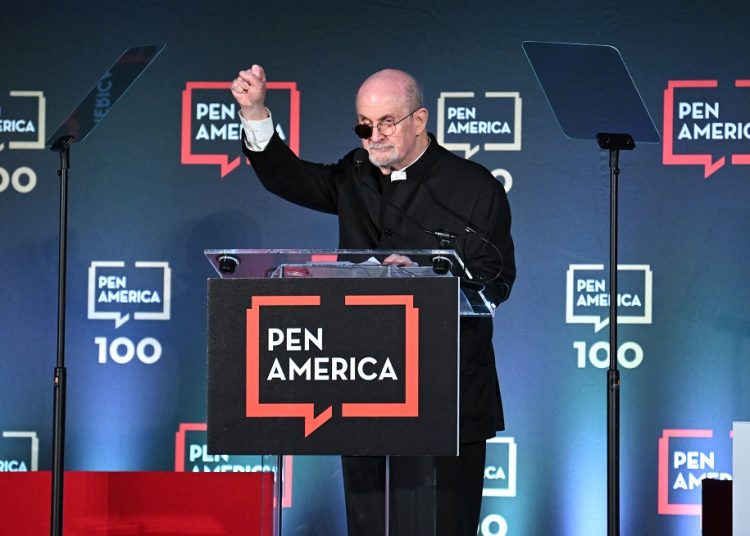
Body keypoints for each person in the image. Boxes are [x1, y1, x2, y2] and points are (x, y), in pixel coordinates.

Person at [231, 64, 516, 536]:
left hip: (447, 398)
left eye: (387, 123)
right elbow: (289, 177)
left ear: (420, 120)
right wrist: (256, 111)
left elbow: (495, 284)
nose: (373, 135)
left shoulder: (474, 188)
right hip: (365, 389)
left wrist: (426, 280)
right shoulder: (355, 173)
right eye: (365, 124)